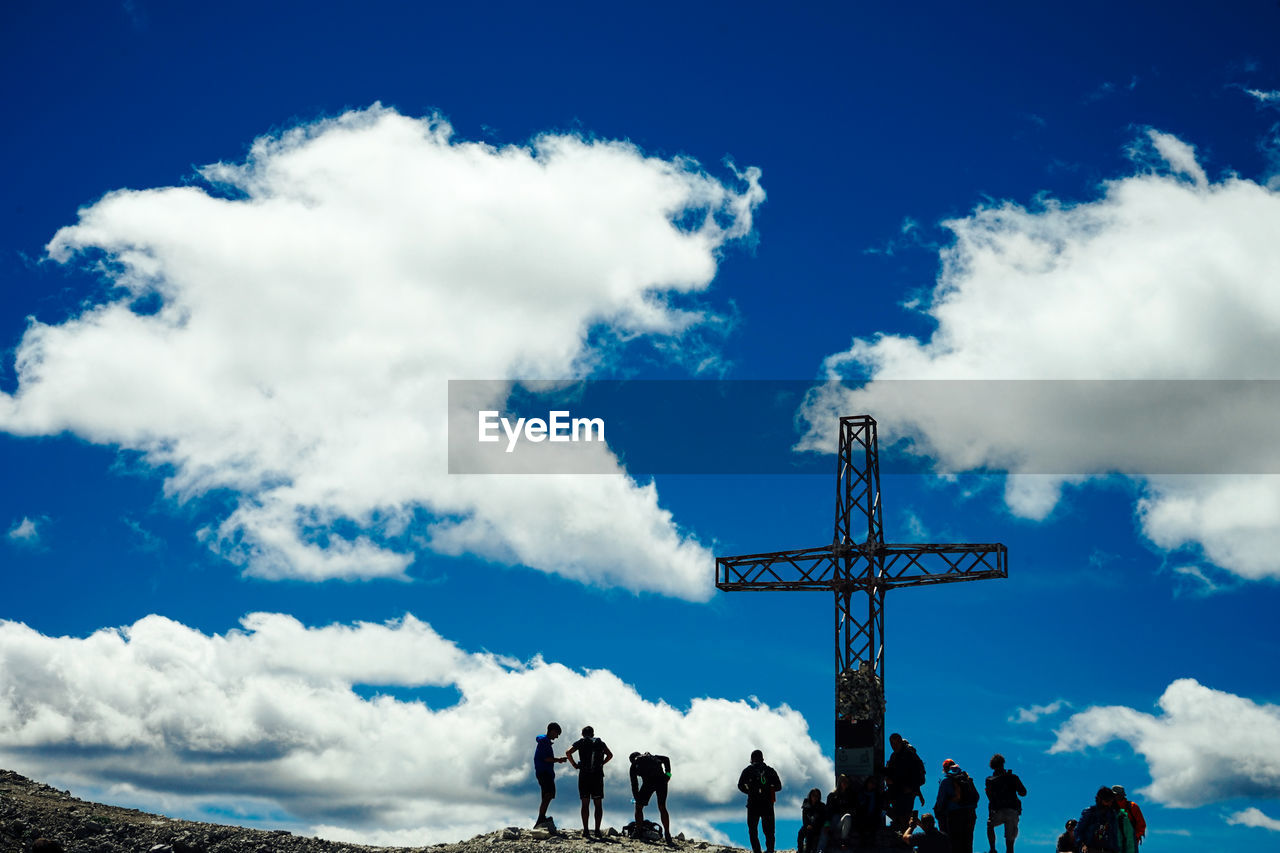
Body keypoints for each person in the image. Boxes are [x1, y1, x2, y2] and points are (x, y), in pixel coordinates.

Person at [566, 725, 613, 839]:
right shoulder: (600, 743)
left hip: (584, 775)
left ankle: (586, 830)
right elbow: (610, 755)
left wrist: (575, 765)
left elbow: (568, 752)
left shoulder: (581, 742)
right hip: (597, 775)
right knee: (598, 804)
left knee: (585, 803)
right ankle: (597, 830)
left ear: (583, 734)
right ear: (593, 733)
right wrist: (601, 763)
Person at [737, 749, 782, 853]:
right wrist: (769, 789)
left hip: (753, 804)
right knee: (769, 831)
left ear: (752, 759)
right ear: (763, 758)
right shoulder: (770, 770)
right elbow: (779, 786)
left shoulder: (748, 770)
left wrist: (750, 791)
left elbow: (740, 785)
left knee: (753, 830)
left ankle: (757, 851)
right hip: (768, 805)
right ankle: (770, 850)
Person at [983, 754, 1026, 853]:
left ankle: (993, 849)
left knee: (990, 825)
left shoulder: (989, 780)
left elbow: (989, 796)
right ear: (1003, 764)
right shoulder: (1012, 777)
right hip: (1012, 811)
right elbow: (1023, 792)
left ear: (992, 766)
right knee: (1010, 842)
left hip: (997, 811)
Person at [629, 750, 674, 845]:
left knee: (638, 807)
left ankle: (637, 831)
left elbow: (634, 784)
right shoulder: (653, 756)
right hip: (662, 781)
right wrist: (668, 774)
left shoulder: (634, 765)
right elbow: (666, 759)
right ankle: (667, 834)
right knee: (662, 807)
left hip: (648, 783)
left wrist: (636, 798)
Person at [933, 759, 978, 853]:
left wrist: (940, 812)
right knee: (968, 843)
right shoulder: (967, 778)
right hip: (971, 813)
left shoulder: (946, 780)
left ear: (945, 769)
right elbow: (976, 796)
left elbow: (940, 801)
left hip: (955, 814)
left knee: (955, 844)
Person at [885, 733, 927, 829]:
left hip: (905, 793)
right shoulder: (894, 756)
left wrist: (912, 789)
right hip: (897, 792)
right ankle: (911, 820)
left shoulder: (909, 755)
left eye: (895, 743)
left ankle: (911, 822)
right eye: (891, 743)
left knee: (903, 818)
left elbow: (918, 776)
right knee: (897, 814)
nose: (893, 746)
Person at [534, 722, 568, 828]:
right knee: (548, 794)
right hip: (544, 772)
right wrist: (559, 760)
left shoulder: (545, 741)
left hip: (544, 772)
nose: (557, 737)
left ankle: (542, 817)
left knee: (547, 795)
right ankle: (541, 818)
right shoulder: (544, 741)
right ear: (552, 731)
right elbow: (546, 758)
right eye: (557, 734)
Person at [1076, 787, 1119, 853]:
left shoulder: (1112, 815)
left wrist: (1116, 850)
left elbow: (1114, 835)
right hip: (1090, 849)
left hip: (1107, 850)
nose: (1109, 803)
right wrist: (1082, 845)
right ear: (1100, 800)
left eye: (1111, 801)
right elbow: (1078, 831)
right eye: (1107, 800)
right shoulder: (1089, 812)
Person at [825, 774, 858, 850]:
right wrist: (827, 823)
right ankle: (820, 850)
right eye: (843, 781)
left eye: (846, 781)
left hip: (844, 822)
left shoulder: (851, 796)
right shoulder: (832, 796)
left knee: (847, 816)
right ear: (839, 782)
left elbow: (854, 809)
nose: (845, 783)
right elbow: (828, 811)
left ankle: (843, 841)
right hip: (833, 822)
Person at [853, 775, 885, 846]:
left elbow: (878, 807)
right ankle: (862, 840)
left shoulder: (876, 794)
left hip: (873, 815)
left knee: (875, 820)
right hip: (862, 815)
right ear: (867, 783)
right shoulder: (861, 793)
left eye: (874, 783)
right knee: (861, 820)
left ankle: (872, 840)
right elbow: (858, 805)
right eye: (871, 782)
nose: (872, 784)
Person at [798, 788, 828, 853]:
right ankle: (800, 850)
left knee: (811, 836)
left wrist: (814, 826)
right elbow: (804, 816)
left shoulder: (821, 806)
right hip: (807, 825)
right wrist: (807, 825)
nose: (815, 797)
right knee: (800, 833)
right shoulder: (806, 803)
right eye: (813, 795)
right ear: (810, 795)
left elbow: (823, 819)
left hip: (817, 827)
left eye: (817, 795)